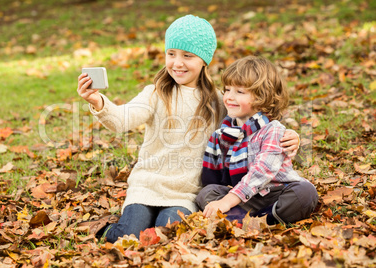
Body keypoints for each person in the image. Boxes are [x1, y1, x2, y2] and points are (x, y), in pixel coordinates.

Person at [77, 15, 300, 243]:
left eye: (187, 56)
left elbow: (255, 124)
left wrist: (290, 136)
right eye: (171, 54)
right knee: (127, 235)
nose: (177, 63)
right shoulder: (155, 94)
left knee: (169, 236)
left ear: (204, 60)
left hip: (185, 193)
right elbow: (122, 120)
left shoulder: (218, 101)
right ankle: (105, 229)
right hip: (147, 187)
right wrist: (98, 102)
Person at [196, 56, 318, 225]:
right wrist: (218, 199)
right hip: (246, 199)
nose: (229, 97)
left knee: (305, 192)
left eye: (239, 92)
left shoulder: (272, 129)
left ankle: (260, 220)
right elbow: (213, 178)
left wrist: (227, 201)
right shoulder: (221, 135)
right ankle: (244, 222)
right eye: (227, 89)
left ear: (262, 97)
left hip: (275, 192)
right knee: (206, 193)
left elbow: (262, 170)